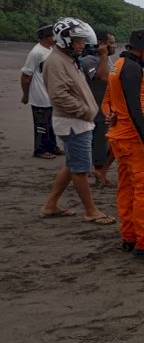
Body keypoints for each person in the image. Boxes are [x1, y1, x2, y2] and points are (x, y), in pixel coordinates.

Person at [103, 29, 144, 265]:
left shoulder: (118, 65)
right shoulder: (131, 69)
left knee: (128, 189)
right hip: (132, 140)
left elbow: (109, 100)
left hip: (120, 138)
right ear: (141, 48)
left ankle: (129, 237)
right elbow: (134, 108)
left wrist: (109, 115)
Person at [39, 17, 114, 224]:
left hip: (77, 121)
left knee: (71, 165)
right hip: (73, 123)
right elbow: (59, 96)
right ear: (65, 40)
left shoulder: (65, 58)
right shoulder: (56, 62)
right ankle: (91, 211)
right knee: (80, 169)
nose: (82, 45)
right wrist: (85, 110)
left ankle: (50, 205)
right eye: (78, 41)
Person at [79, 29, 117, 186]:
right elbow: (102, 77)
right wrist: (103, 55)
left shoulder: (107, 59)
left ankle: (100, 172)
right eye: (111, 43)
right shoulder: (88, 60)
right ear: (101, 44)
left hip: (107, 107)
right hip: (95, 108)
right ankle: (97, 173)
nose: (115, 46)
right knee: (98, 144)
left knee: (110, 143)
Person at [20, 23, 63, 159]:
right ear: (47, 36)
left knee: (51, 123)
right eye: (53, 35)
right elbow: (26, 75)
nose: (55, 37)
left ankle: (52, 146)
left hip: (50, 94)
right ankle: (40, 150)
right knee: (41, 124)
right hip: (39, 95)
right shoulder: (36, 52)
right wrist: (25, 95)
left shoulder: (51, 49)